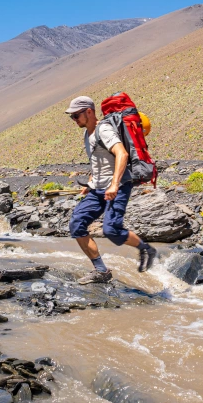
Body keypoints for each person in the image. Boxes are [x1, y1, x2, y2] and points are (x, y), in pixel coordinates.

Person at [66, 96, 157, 284]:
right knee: (77, 223)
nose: (74, 120)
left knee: (111, 229)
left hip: (118, 186)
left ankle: (145, 248)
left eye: (76, 116)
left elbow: (122, 154)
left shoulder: (104, 130)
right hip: (98, 189)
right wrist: (90, 185)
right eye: (72, 117)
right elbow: (99, 162)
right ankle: (101, 270)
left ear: (88, 112)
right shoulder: (87, 134)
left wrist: (115, 184)